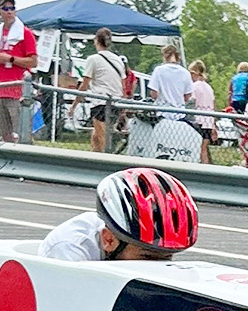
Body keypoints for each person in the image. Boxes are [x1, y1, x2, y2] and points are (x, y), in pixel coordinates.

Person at [39, 168, 199, 262]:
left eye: (167, 258)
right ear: (108, 240)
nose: (157, 268)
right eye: (146, 257)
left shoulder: (124, 247)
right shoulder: (68, 251)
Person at [0, 0, 38, 142]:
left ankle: (25, 154)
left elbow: (33, 62)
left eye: (12, 8)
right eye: (5, 8)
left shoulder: (25, 33)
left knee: (22, 133)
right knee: (4, 134)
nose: (9, 11)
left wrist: (10, 59)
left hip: (18, 91)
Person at [68, 27, 126, 152]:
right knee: (96, 136)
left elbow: (84, 85)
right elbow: (123, 83)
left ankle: (106, 157)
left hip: (100, 102)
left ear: (97, 40)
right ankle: (95, 154)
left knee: (102, 137)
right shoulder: (118, 60)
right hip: (115, 102)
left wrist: (74, 105)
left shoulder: (93, 59)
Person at [148, 44, 193, 121]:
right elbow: (187, 96)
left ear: (165, 56)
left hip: (162, 113)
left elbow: (153, 93)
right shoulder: (185, 73)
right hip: (180, 113)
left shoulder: (159, 70)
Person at [189, 60, 217, 164]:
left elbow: (191, 102)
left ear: (194, 73)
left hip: (198, 121)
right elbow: (213, 105)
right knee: (204, 149)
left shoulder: (194, 86)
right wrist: (214, 124)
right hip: (208, 122)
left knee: (197, 148)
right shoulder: (209, 88)